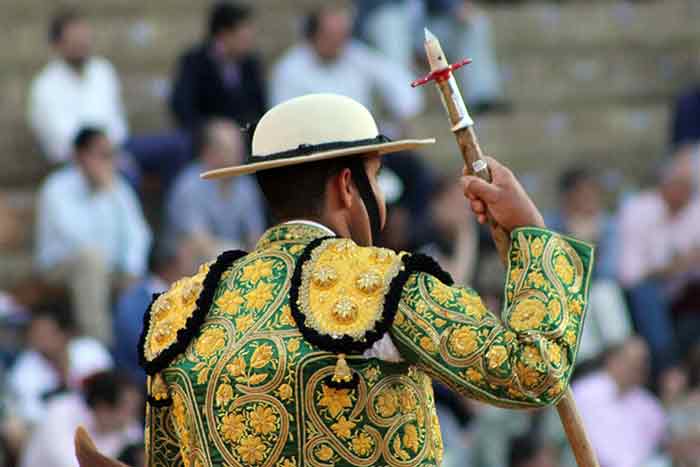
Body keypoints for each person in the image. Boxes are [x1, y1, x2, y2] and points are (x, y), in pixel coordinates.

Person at [78, 94, 594, 466]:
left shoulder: (183, 307)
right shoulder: (384, 283)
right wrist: (531, 233)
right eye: (374, 177)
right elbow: (534, 370)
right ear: (348, 186)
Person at [28, 8, 192, 186]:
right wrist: (104, 155)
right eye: (74, 39)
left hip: (117, 145)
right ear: (58, 44)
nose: (82, 43)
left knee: (177, 146)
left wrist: (114, 151)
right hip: (79, 160)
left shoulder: (102, 70)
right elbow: (61, 141)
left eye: (84, 37)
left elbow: (116, 120)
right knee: (125, 173)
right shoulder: (45, 85)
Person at [35, 127, 152, 344]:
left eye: (112, 154)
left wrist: (131, 269)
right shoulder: (56, 188)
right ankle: (99, 346)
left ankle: (145, 351)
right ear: (81, 156)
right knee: (91, 260)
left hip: (112, 268)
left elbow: (139, 234)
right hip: (61, 267)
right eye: (103, 154)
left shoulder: (117, 186)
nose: (110, 161)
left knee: (145, 282)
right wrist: (103, 193)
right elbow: (76, 238)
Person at [270, 4, 423, 132]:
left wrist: (403, 113)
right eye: (331, 37)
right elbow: (285, 120)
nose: (339, 44)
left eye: (342, 37)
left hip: (363, 143)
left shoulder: (355, 55)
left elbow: (397, 79)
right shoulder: (289, 71)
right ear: (314, 36)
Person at [618, 153, 700, 372]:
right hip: (645, 294)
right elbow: (630, 275)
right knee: (648, 296)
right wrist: (672, 268)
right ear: (665, 184)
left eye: (690, 186)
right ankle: (668, 369)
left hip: (684, 295)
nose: (687, 192)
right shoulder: (638, 210)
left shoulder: (695, 213)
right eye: (680, 185)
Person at [546, 165, 631, 362]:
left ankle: (620, 356)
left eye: (592, 194)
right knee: (574, 301)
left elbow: (610, 272)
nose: (590, 200)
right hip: (566, 295)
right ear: (568, 198)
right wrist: (576, 240)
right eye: (582, 194)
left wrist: (589, 246)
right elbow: (552, 273)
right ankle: (587, 367)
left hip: (600, 288)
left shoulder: (607, 225)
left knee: (603, 294)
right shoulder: (550, 224)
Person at [165, 119, 266, 259]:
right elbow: (199, 242)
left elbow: (255, 237)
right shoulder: (188, 186)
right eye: (229, 150)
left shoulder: (246, 186)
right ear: (208, 152)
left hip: (236, 260)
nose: (238, 156)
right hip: (193, 267)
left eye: (239, 149)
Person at [170, 2, 267, 131]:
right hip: (208, 139)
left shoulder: (251, 64)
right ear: (224, 34)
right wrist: (210, 129)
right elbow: (183, 108)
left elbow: (260, 107)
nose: (249, 41)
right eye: (243, 37)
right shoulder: (194, 62)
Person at [113, 236, 196, 385]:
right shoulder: (133, 302)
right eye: (185, 261)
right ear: (170, 266)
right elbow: (142, 348)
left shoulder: (186, 295)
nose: (190, 267)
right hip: (145, 382)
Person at [572, 337, 666, 467]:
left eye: (640, 365)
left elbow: (659, 444)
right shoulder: (584, 392)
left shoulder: (648, 404)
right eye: (630, 363)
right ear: (612, 360)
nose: (634, 370)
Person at [20, 371, 142, 467]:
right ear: (103, 409)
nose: (132, 416)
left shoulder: (130, 430)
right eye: (127, 408)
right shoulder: (60, 412)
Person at [424, 0, 509, 113]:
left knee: (476, 22)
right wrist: (454, 7)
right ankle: (480, 96)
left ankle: (484, 94)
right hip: (413, 26)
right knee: (470, 26)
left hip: (431, 24)